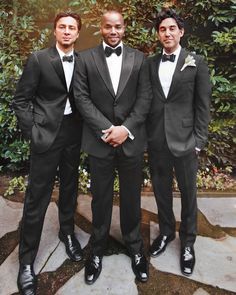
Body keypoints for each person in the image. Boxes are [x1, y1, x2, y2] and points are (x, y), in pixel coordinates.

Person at [74, 10, 152, 284]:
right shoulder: (85, 58)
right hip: (100, 142)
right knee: (101, 199)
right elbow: (81, 97)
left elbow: (145, 98)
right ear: (101, 28)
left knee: (132, 199)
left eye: (118, 26)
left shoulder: (140, 59)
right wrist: (107, 130)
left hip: (130, 141)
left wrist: (125, 129)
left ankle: (135, 248)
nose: (113, 31)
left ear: (124, 27)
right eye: (108, 27)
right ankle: (96, 250)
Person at [13, 12, 83, 295]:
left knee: (69, 189)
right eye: (62, 27)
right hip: (46, 135)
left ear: (78, 34)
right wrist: (33, 132)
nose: (67, 32)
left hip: (73, 134)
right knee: (37, 197)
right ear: (55, 31)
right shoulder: (39, 59)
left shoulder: (85, 61)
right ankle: (26, 261)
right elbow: (21, 100)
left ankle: (67, 233)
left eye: (72, 28)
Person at [147, 8, 211, 276]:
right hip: (157, 139)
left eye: (172, 28)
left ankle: (188, 242)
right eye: (163, 29)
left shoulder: (196, 62)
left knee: (188, 194)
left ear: (181, 32)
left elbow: (203, 105)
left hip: (186, 140)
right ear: (159, 34)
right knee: (161, 191)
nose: (167, 33)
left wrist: (198, 140)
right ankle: (165, 233)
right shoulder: (149, 63)